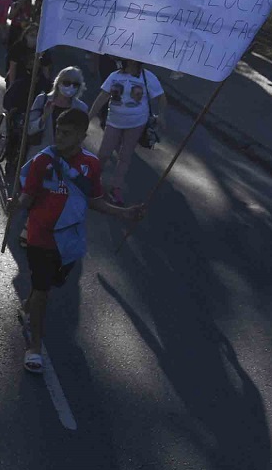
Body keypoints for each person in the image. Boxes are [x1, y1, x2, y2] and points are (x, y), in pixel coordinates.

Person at [12, 108, 144, 374]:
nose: (59, 137)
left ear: (82, 136)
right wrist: (14, 205)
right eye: (58, 131)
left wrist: (124, 213)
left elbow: (94, 200)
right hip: (39, 237)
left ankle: (28, 306)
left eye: (67, 133)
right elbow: (26, 198)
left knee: (50, 284)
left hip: (69, 241)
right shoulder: (42, 161)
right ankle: (34, 347)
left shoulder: (91, 165)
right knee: (42, 291)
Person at [89, 59, 166, 205]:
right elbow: (102, 97)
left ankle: (115, 188)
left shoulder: (147, 76)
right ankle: (93, 181)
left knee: (125, 156)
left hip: (136, 123)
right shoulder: (114, 76)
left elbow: (161, 97)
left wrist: (161, 115)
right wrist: (88, 117)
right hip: (114, 122)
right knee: (104, 153)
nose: (131, 60)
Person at [26, 66, 89, 155]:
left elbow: (80, 137)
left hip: (66, 158)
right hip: (40, 154)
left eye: (75, 85)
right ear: (58, 83)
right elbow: (29, 129)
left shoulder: (81, 108)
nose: (71, 87)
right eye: (66, 83)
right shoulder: (42, 100)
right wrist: (44, 117)